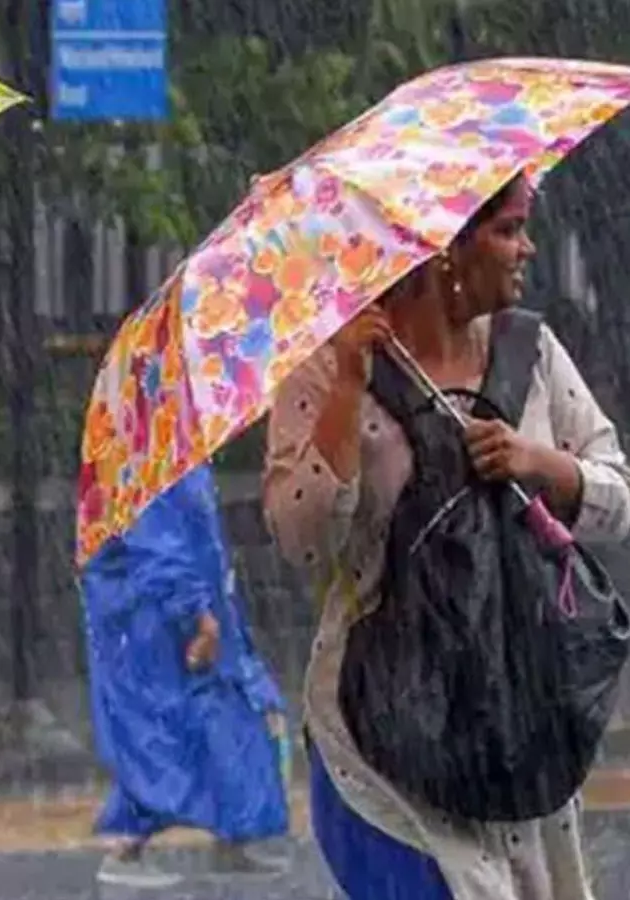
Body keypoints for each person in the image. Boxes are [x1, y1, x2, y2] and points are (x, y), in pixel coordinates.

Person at [264, 174, 628, 900]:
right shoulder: (330, 365)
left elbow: (618, 495)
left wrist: (541, 465)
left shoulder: (534, 353)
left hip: (516, 722)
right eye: (508, 229)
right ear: (444, 250)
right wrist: (344, 390)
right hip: (382, 737)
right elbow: (301, 541)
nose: (526, 249)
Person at [82, 462, 290, 888]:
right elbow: (160, 549)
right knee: (164, 731)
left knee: (219, 720)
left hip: (183, 612)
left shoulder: (171, 454)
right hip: (160, 622)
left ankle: (232, 836)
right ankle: (127, 845)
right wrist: (195, 613)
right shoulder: (152, 458)